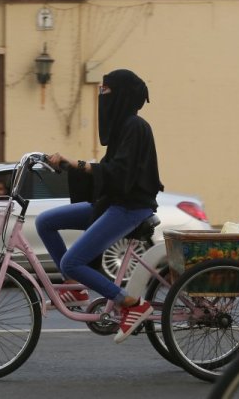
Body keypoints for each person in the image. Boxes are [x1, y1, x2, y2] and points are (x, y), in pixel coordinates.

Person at [35, 69, 164, 343]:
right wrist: (71, 165)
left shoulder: (136, 127)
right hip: (114, 203)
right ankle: (75, 287)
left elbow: (119, 173)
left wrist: (76, 163)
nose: (101, 96)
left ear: (121, 95)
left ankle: (131, 303)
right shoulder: (123, 128)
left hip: (131, 207)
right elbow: (108, 170)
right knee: (45, 222)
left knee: (72, 261)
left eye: (105, 91)